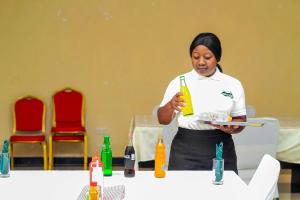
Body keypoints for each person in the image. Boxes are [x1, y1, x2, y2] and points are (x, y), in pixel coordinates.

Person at [157, 32, 246, 173]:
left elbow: (240, 120)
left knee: (223, 193)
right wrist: (171, 105)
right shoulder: (180, 81)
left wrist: (232, 127)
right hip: (185, 151)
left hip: (221, 149)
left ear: (217, 57)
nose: (201, 62)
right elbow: (162, 119)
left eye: (207, 57)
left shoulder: (233, 84)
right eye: (196, 57)